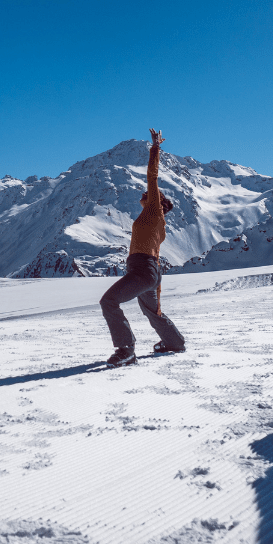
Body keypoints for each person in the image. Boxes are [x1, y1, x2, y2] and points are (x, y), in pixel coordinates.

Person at [99, 128, 187, 367]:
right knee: (151, 310)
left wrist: (155, 149)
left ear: (157, 202)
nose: (145, 193)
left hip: (143, 270)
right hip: (148, 271)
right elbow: (155, 261)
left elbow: (152, 177)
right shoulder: (158, 223)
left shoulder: (153, 211)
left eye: (149, 194)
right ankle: (175, 342)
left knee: (109, 301)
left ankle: (126, 350)